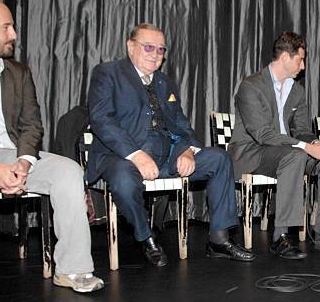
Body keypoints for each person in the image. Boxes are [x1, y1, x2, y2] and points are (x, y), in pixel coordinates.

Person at [0, 0, 104, 302]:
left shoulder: (19, 72)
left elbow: (32, 126)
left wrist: (22, 163)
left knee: (68, 170)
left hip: (11, 153)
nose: (14, 33)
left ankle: (73, 268)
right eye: (6, 26)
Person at [87, 23, 254, 267]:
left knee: (219, 159)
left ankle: (218, 239)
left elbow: (180, 124)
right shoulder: (107, 73)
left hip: (166, 156)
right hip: (121, 156)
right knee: (123, 181)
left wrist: (186, 150)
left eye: (161, 49)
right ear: (130, 47)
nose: (155, 54)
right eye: (148, 47)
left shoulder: (165, 82)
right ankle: (146, 238)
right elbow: (102, 120)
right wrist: (136, 155)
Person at [228, 32, 320, 258]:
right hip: (253, 152)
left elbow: (301, 128)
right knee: (296, 156)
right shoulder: (251, 86)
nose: (302, 66)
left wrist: (314, 142)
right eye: (300, 60)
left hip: (286, 151)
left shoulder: (297, 90)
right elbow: (262, 134)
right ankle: (281, 237)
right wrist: (305, 147)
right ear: (284, 58)